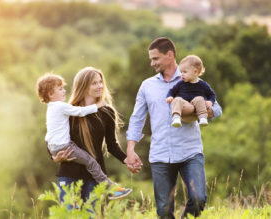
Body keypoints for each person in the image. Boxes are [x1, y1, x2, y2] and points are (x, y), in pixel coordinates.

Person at [125, 37, 222, 218]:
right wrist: (130, 149)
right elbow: (137, 118)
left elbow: (217, 109)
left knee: (199, 198)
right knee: (163, 210)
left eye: (155, 58)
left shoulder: (193, 79)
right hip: (160, 154)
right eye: (151, 59)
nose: (152, 63)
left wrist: (194, 109)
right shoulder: (147, 86)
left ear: (170, 55)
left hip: (190, 152)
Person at [36, 72, 131, 200]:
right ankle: (111, 187)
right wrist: (55, 157)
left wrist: (127, 160)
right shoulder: (69, 110)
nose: (100, 86)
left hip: (93, 178)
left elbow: (112, 145)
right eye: (94, 83)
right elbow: (52, 136)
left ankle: (110, 188)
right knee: (70, 214)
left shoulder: (107, 112)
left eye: (100, 82)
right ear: (84, 86)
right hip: (69, 175)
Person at [166, 55, 216, 128]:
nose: (182, 74)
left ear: (195, 72)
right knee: (177, 99)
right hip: (183, 112)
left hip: (195, 114)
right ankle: (176, 117)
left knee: (199, 99)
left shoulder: (203, 85)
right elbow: (172, 91)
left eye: (185, 72)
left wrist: (210, 101)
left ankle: (202, 118)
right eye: (181, 72)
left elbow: (212, 95)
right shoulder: (180, 84)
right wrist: (170, 96)